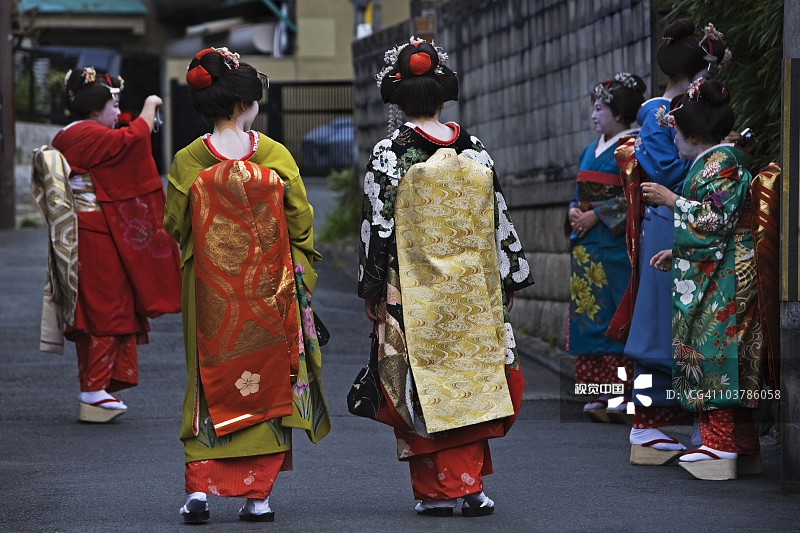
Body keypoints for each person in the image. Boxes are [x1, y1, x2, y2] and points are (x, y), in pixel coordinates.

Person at [358, 37, 534, 517]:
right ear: (443, 95)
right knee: (475, 376)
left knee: (421, 380)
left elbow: (378, 225)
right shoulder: (473, 148)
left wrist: (372, 287)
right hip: (475, 287)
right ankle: (471, 484)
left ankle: (435, 490)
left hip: (414, 287)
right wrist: (509, 276)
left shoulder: (391, 151)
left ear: (396, 98)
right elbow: (497, 216)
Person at [164, 47, 330, 523]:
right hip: (271, 289)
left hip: (210, 293)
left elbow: (176, 225)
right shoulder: (274, 155)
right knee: (272, 377)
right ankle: (258, 497)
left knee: (206, 377)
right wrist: (301, 273)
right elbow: (300, 222)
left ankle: (199, 492)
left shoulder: (188, 159)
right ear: (245, 105)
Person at [641, 78, 779, 480]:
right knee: (725, 355)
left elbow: (715, 220)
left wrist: (672, 201)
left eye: (679, 135)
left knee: (715, 352)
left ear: (696, 136)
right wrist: (678, 251)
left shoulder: (723, 163)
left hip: (726, 280)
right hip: (723, 266)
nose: (676, 144)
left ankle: (719, 447)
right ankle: (743, 445)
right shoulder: (720, 160)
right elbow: (719, 225)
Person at [609, 20, 731, 465]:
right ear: (697, 72)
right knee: (660, 325)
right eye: (706, 74)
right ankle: (646, 425)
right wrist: (714, 156)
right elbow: (667, 172)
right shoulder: (661, 113)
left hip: (682, 218)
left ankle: (686, 425)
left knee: (690, 323)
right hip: (670, 220)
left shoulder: (674, 108)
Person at [32, 66, 181, 424]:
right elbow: (132, 140)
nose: (118, 112)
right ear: (98, 105)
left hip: (91, 231)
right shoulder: (84, 134)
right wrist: (151, 103)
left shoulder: (76, 133)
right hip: (94, 234)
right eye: (114, 103)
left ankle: (96, 385)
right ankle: (93, 389)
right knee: (106, 311)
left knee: (107, 308)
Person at [566, 72, 646, 422]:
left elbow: (636, 195)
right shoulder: (590, 148)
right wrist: (574, 209)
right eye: (594, 108)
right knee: (589, 316)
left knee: (616, 314)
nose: (594, 114)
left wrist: (596, 215)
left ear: (618, 115)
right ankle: (595, 391)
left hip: (614, 245)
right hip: (586, 247)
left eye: (600, 108)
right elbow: (579, 190)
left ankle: (621, 393)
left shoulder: (633, 146)